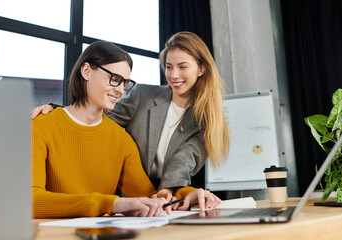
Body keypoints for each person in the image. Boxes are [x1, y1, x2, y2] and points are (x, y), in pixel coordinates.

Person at [32, 31, 229, 208]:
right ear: (86, 71)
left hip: (120, 215)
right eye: (114, 79)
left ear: (201, 69)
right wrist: (58, 113)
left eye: (124, 83)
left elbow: (162, 185)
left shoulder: (123, 141)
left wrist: (190, 193)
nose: (119, 90)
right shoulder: (41, 125)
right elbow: (90, 121)